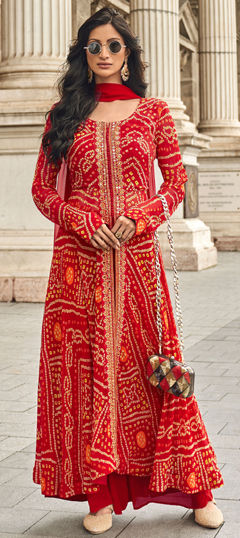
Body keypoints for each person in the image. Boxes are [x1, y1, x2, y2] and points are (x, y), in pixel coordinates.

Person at [31, 6, 224, 535]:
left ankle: (196, 487)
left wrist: (139, 219)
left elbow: (174, 186)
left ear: (129, 54)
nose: (104, 55)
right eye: (94, 46)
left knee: (155, 371)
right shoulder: (65, 114)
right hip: (79, 267)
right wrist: (79, 217)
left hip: (138, 263)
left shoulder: (154, 113)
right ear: (83, 54)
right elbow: (43, 190)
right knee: (89, 373)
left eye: (114, 45)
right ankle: (99, 496)